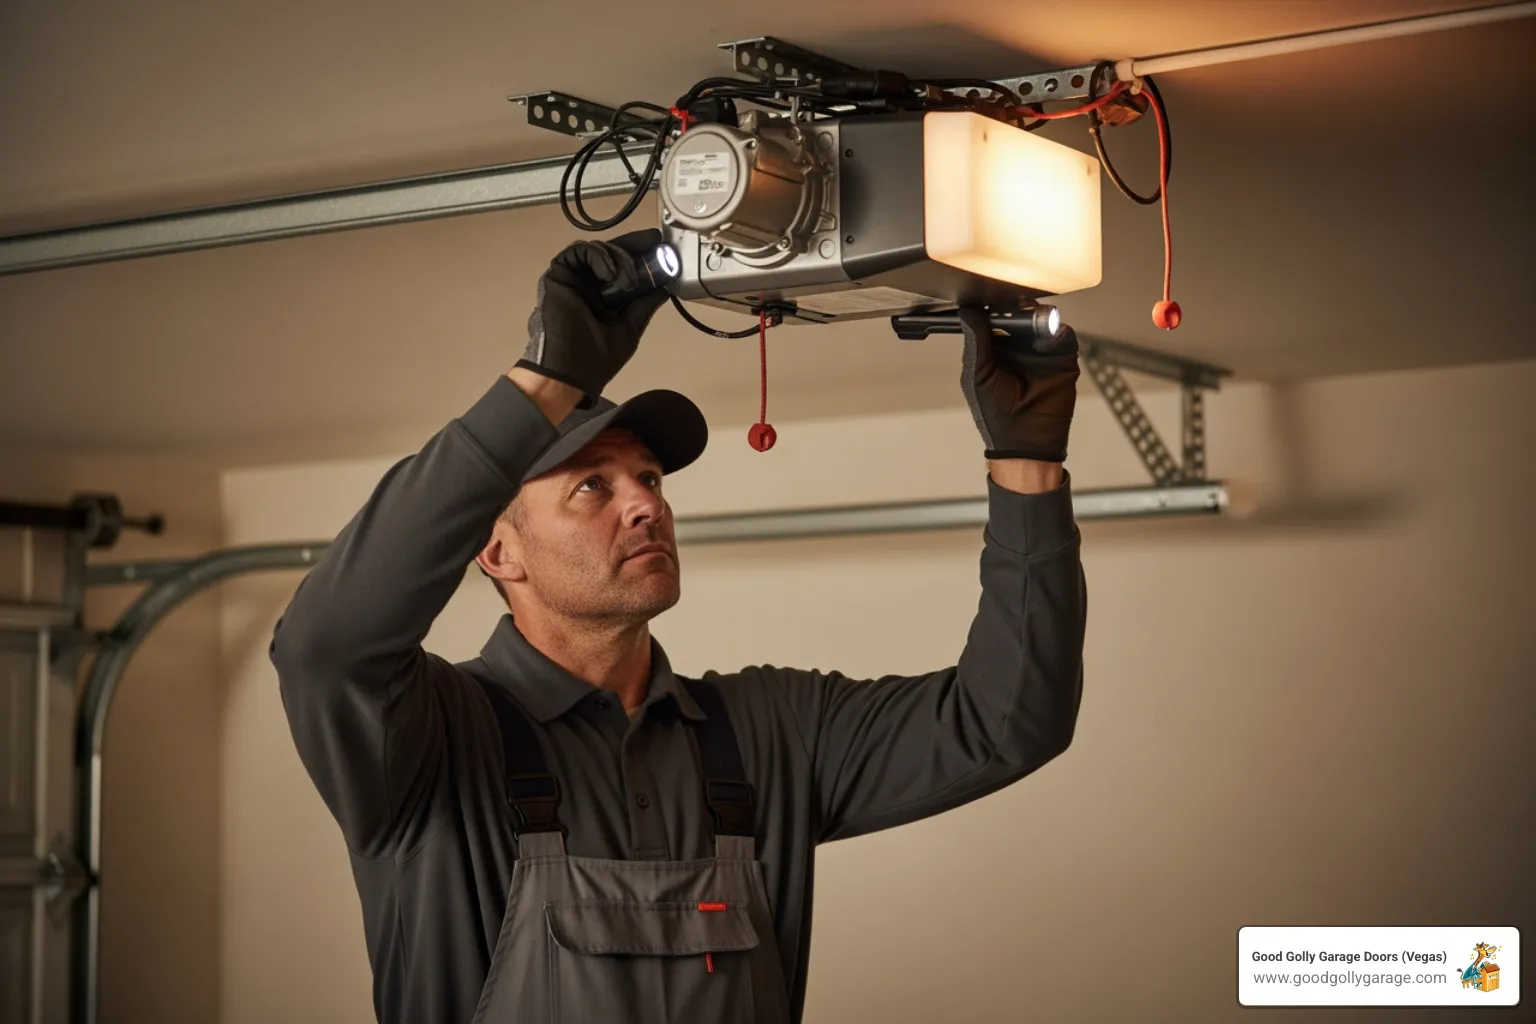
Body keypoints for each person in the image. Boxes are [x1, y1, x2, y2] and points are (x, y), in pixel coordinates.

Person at [271, 229, 1088, 1024]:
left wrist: (1027, 468)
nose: (645, 504)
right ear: (496, 551)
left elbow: (1005, 723)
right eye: (591, 487)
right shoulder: (430, 741)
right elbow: (326, 643)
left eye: (650, 478)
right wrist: (544, 380)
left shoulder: (773, 730)